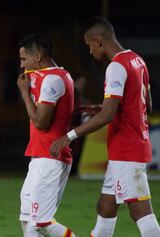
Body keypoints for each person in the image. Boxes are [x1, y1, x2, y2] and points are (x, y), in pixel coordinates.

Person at [50, 16, 160, 237]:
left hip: (127, 149)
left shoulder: (116, 67)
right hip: (128, 147)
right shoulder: (137, 60)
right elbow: (146, 105)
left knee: (140, 212)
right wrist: (106, 105)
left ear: (99, 41)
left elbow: (108, 116)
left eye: (89, 45)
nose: (90, 51)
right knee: (106, 207)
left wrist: (69, 136)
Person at [17, 33, 77, 237]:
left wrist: (25, 93)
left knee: (42, 223)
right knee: (28, 221)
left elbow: (41, 122)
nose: (22, 65)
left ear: (38, 57)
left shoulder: (53, 79)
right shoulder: (54, 75)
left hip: (51, 157)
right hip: (39, 156)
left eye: (24, 59)